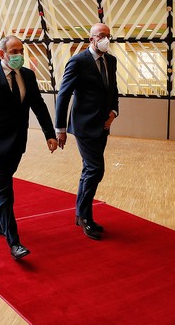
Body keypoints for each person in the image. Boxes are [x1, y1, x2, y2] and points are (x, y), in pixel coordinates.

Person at [0, 35, 58, 260]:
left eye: (21, 51)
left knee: (0, 184)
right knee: (5, 190)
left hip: (17, 142)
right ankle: (14, 243)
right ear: (2, 53)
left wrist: (49, 134)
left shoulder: (28, 75)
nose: (19, 55)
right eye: (14, 51)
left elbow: (39, 106)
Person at [54, 23, 119, 240]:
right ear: (91, 39)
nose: (105, 39)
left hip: (103, 125)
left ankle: (80, 214)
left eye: (108, 35)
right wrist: (60, 128)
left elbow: (113, 89)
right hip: (84, 126)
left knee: (89, 170)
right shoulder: (78, 61)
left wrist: (113, 112)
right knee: (95, 169)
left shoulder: (111, 61)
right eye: (101, 35)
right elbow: (64, 94)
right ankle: (85, 217)